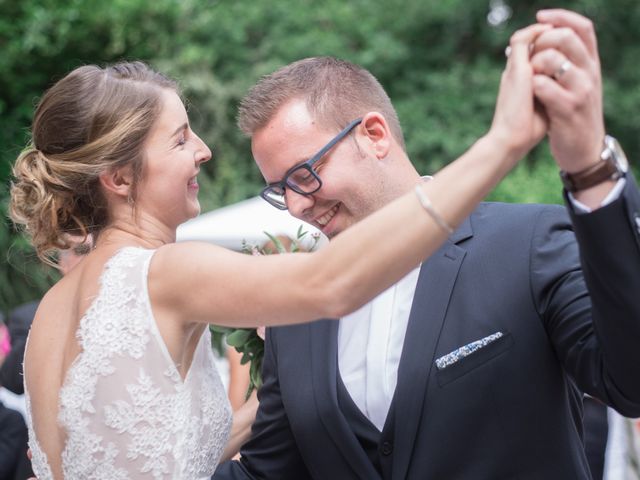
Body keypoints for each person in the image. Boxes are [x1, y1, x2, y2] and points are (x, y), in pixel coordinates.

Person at [9, 20, 545, 479]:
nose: (203, 150)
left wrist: (293, 393)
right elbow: (330, 285)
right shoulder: (163, 272)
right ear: (121, 177)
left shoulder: (52, 316)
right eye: (179, 139)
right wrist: (503, 143)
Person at [214, 9, 640, 480]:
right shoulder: (297, 311)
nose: (295, 206)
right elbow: (268, 474)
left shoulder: (529, 244)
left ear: (374, 136)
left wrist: (591, 174)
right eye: (280, 189)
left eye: (304, 175)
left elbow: (631, 381)